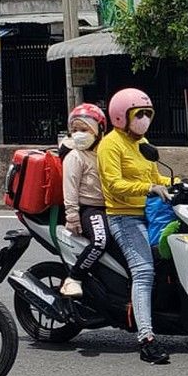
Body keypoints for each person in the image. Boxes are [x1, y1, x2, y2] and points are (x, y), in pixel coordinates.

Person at [97, 88, 172, 364]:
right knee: (143, 271)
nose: (144, 119)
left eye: (147, 114)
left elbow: (156, 177)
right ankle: (146, 340)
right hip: (123, 217)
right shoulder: (110, 145)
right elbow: (114, 185)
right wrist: (150, 188)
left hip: (150, 215)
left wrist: (182, 183)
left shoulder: (142, 142)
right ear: (120, 116)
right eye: (138, 114)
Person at [59, 103, 111, 298]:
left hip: (112, 208)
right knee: (100, 241)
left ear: (99, 131)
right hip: (90, 209)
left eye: (84, 129)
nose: (79, 134)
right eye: (75, 130)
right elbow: (70, 188)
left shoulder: (105, 153)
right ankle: (74, 278)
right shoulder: (75, 156)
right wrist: (72, 217)